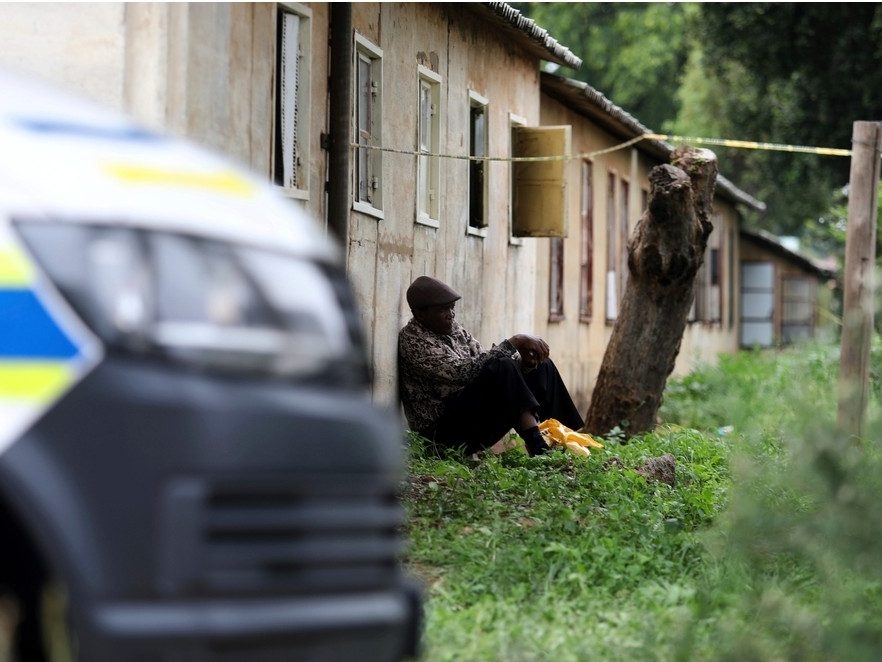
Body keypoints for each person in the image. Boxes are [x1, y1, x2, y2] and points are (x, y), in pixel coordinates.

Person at [398, 275, 584, 457]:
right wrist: (514, 342)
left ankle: (564, 438)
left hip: (468, 417)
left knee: (541, 366)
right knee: (504, 366)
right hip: (441, 433)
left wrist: (526, 366)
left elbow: (483, 361)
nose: (451, 315)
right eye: (443, 310)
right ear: (420, 314)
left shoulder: (453, 329)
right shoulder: (413, 340)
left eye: (452, 308)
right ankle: (538, 447)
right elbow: (462, 373)